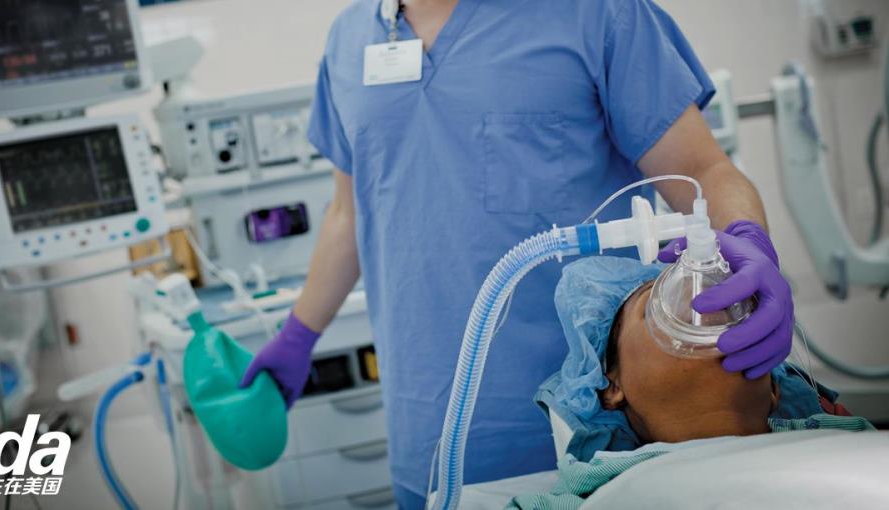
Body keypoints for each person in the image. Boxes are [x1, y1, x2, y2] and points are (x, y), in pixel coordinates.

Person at [241, 1, 794, 506]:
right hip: (426, 436)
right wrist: (297, 337)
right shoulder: (350, 39)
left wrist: (749, 244)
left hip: (589, 443)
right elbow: (350, 212)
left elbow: (703, 170)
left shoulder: (597, 14)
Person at [510, 256, 872, 509]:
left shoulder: (837, 436)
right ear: (613, 387)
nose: (699, 303)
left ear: (774, 388)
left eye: (731, 306)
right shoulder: (606, 479)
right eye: (655, 302)